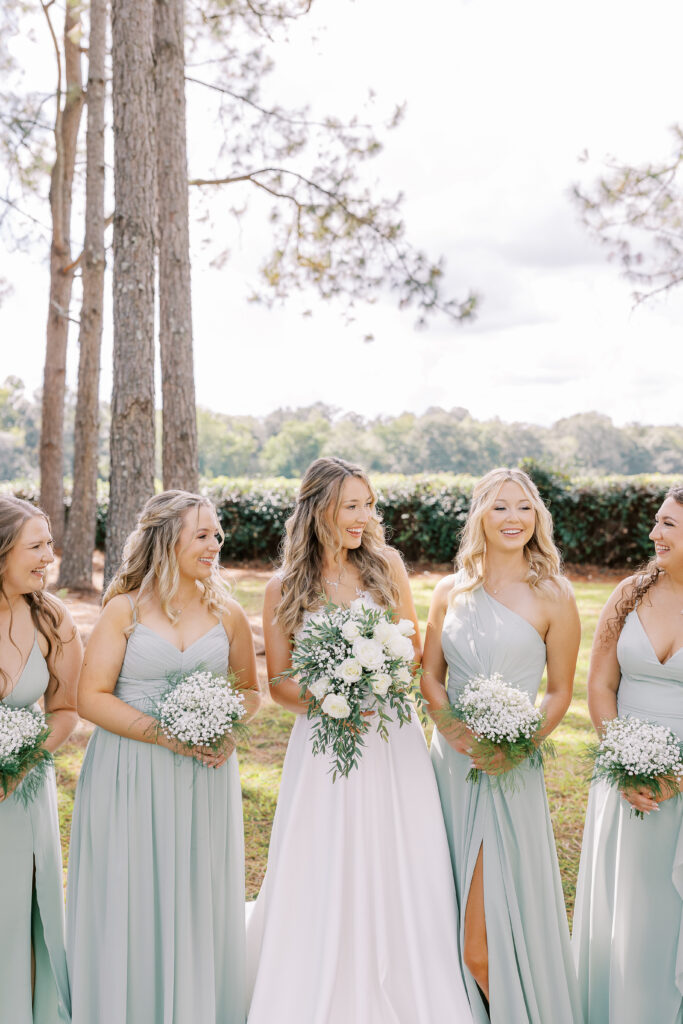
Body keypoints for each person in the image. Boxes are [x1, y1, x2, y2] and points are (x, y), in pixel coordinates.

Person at [247, 457, 473, 1024]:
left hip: (390, 737)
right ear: (319, 507)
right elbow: (278, 683)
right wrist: (330, 699)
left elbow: (411, 648)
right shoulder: (282, 588)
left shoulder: (386, 565)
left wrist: (375, 677)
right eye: (353, 505)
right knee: (324, 855)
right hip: (326, 744)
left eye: (369, 504)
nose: (366, 517)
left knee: (399, 847)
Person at [66, 491, 260, 1024]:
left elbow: (248, 692)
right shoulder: (123, 610)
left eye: (217, 534)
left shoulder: (229, 613)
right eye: (202, 535)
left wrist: (225, 728)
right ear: (165, 539)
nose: (214, 544)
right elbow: (90, 698)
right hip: (131, 773)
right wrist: (166, 736)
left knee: (197, 899)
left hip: (205, 775)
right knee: (133, 899)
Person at [422, 467, 583, 1023]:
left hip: (507, 771)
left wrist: (515, 746)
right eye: (499, 508)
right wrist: (454, 732)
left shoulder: (555, 595)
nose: (513, 518)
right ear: (480, 518)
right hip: (448, 767)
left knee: (482, 947)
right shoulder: (450, 590)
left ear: (537, 517)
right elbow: (430, 677)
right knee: (437, 921)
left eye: (523, 507)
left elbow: (560, 692)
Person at [573, 484, 683, 1023]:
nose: (654, 533)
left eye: (669, 525)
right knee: (631, 915)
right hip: (627, 777)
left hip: (681, 782)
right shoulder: (628, 594)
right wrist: (626, 762)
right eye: (657, 521)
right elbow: (599, 687)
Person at [0, 496, 82, 1024]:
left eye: (49, 544)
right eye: (36, 546)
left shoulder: (52, 618)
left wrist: (21, 762)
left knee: (20, 916)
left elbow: (67, 709)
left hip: (23, 792)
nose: (48, 556)